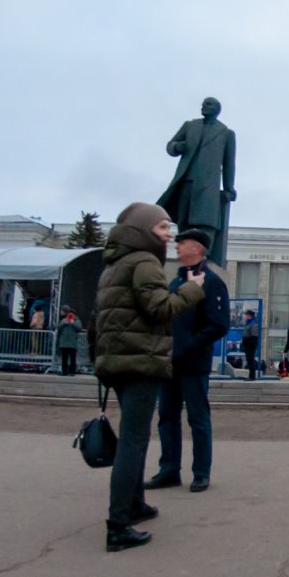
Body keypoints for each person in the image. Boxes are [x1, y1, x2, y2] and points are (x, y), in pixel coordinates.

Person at [94, 202, 204, 552]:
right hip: (140, 362)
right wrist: (192, 288)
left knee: (133, 435)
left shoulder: (114, 265)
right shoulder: (144, 262)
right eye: (162, 228)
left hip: (118, 361)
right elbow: (159, 309)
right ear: (143, 230)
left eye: (169, 228)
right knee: (133, 441)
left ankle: (135, 504)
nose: (169, 234)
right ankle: (118, 525)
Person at [146, 228, 230, 494]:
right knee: (166, 417)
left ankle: (201, 473)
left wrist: (189, 345)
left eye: (182, 243)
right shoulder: (176, 282)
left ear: (197, 247)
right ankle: (169, 470)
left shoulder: (212, 282)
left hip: (193, 364)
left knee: (198, 419)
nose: (178, 247)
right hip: (169, 362)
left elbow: (218, 324)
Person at [156, 97, 237, 267]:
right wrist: (178, 147)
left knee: (207, 221)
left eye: (208, 104)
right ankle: (185, 255)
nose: (203, 107)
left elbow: (229, 164)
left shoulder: (226, 133)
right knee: (184, 221)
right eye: (203, 104)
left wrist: (229, 188)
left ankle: (203, 257)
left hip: (209, 186)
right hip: (186, 180)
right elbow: (171, 145)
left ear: (217, 109)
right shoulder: (190, 126)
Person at [56, 306, 82, 376]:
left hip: (72, 343)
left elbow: (79, 328)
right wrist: (63, 323)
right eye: (69, 314)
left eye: (71, 314)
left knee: (72, 359)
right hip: (64, 342)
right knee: (64, 358)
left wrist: (73, 323)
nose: (70, 316)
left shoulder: (77, 320)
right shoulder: (63, 320)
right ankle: (64, 372)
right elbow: (58, 328)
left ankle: (72, 372)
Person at [242, 309, 259, 381]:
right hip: (247, 345)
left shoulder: (253, 324)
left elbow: (254, 337)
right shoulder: (248, 323)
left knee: (250, 360)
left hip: (250, 346)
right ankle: (251, 376)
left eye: (246, 315)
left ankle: (252, 376)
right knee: (249, 361)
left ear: (250, 316)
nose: (245, 316)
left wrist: (249, 346)